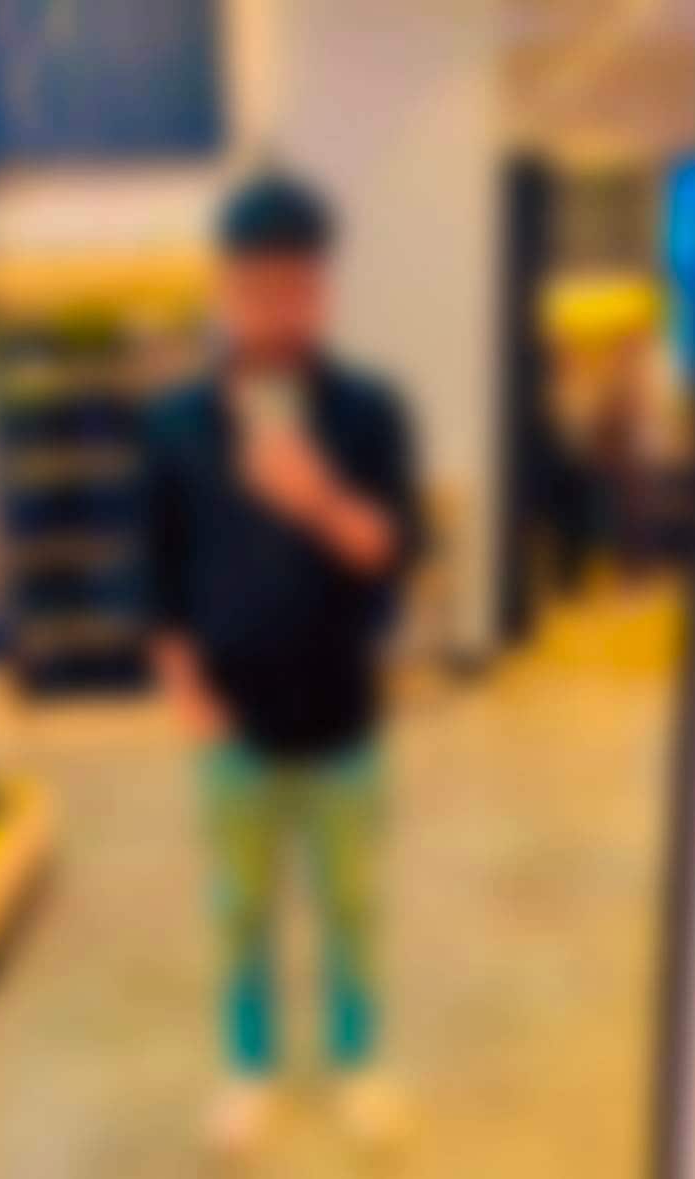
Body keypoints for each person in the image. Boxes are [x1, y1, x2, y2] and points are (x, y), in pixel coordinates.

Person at [140, 171, 423, 1157]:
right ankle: (249, 1068)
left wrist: (317, 498)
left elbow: (395, 551)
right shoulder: (175, 423)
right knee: (239, 912)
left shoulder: (370, 411)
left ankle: (358, 1062)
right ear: (224, 288)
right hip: (231, 723)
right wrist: (185, 693)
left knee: (352, 905)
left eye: (299, 286)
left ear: (323, 285)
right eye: (258, 288)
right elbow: (158, 575)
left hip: (344, 713)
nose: (278, 310)